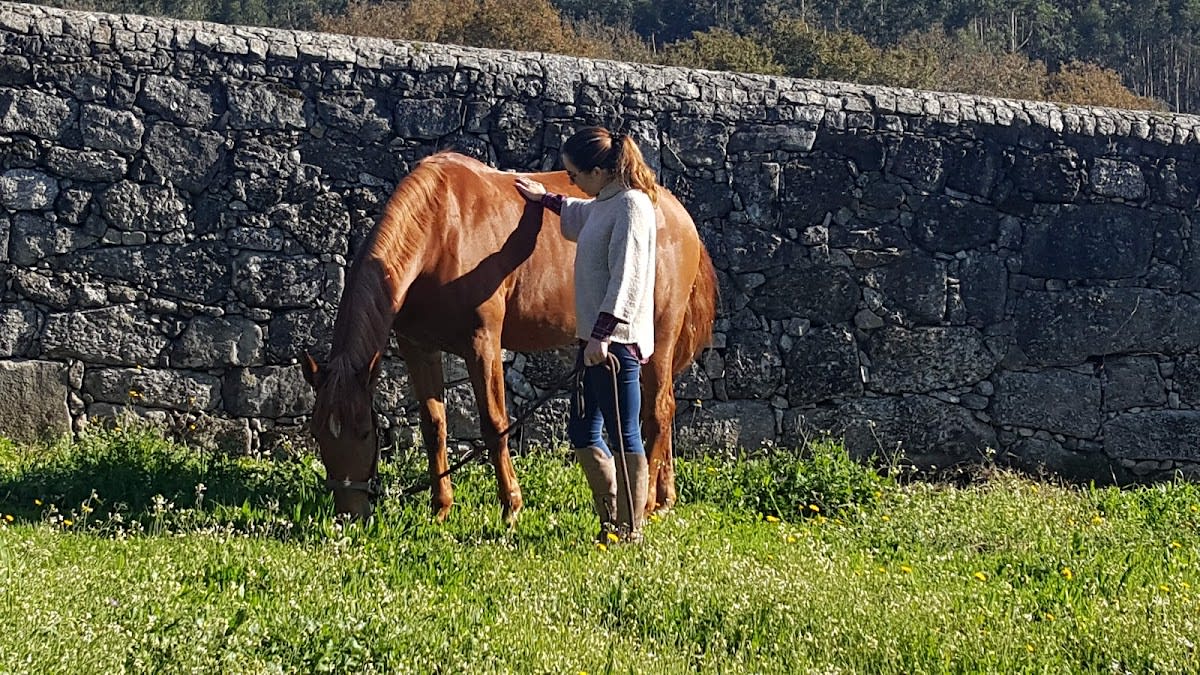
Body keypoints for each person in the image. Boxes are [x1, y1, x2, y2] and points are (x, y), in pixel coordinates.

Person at [514, 127, 658, 543]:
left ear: (600, 171)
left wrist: (602, 336)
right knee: (583, 432)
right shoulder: (605, 203)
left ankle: (630, 531)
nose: (571, 181)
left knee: (623, 432)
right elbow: (581, 215)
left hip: (616, 347)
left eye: (575, 174)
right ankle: (610, 518)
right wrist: (547, 199)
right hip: (593, 344)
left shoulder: (632, 206)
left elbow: (627, 279)